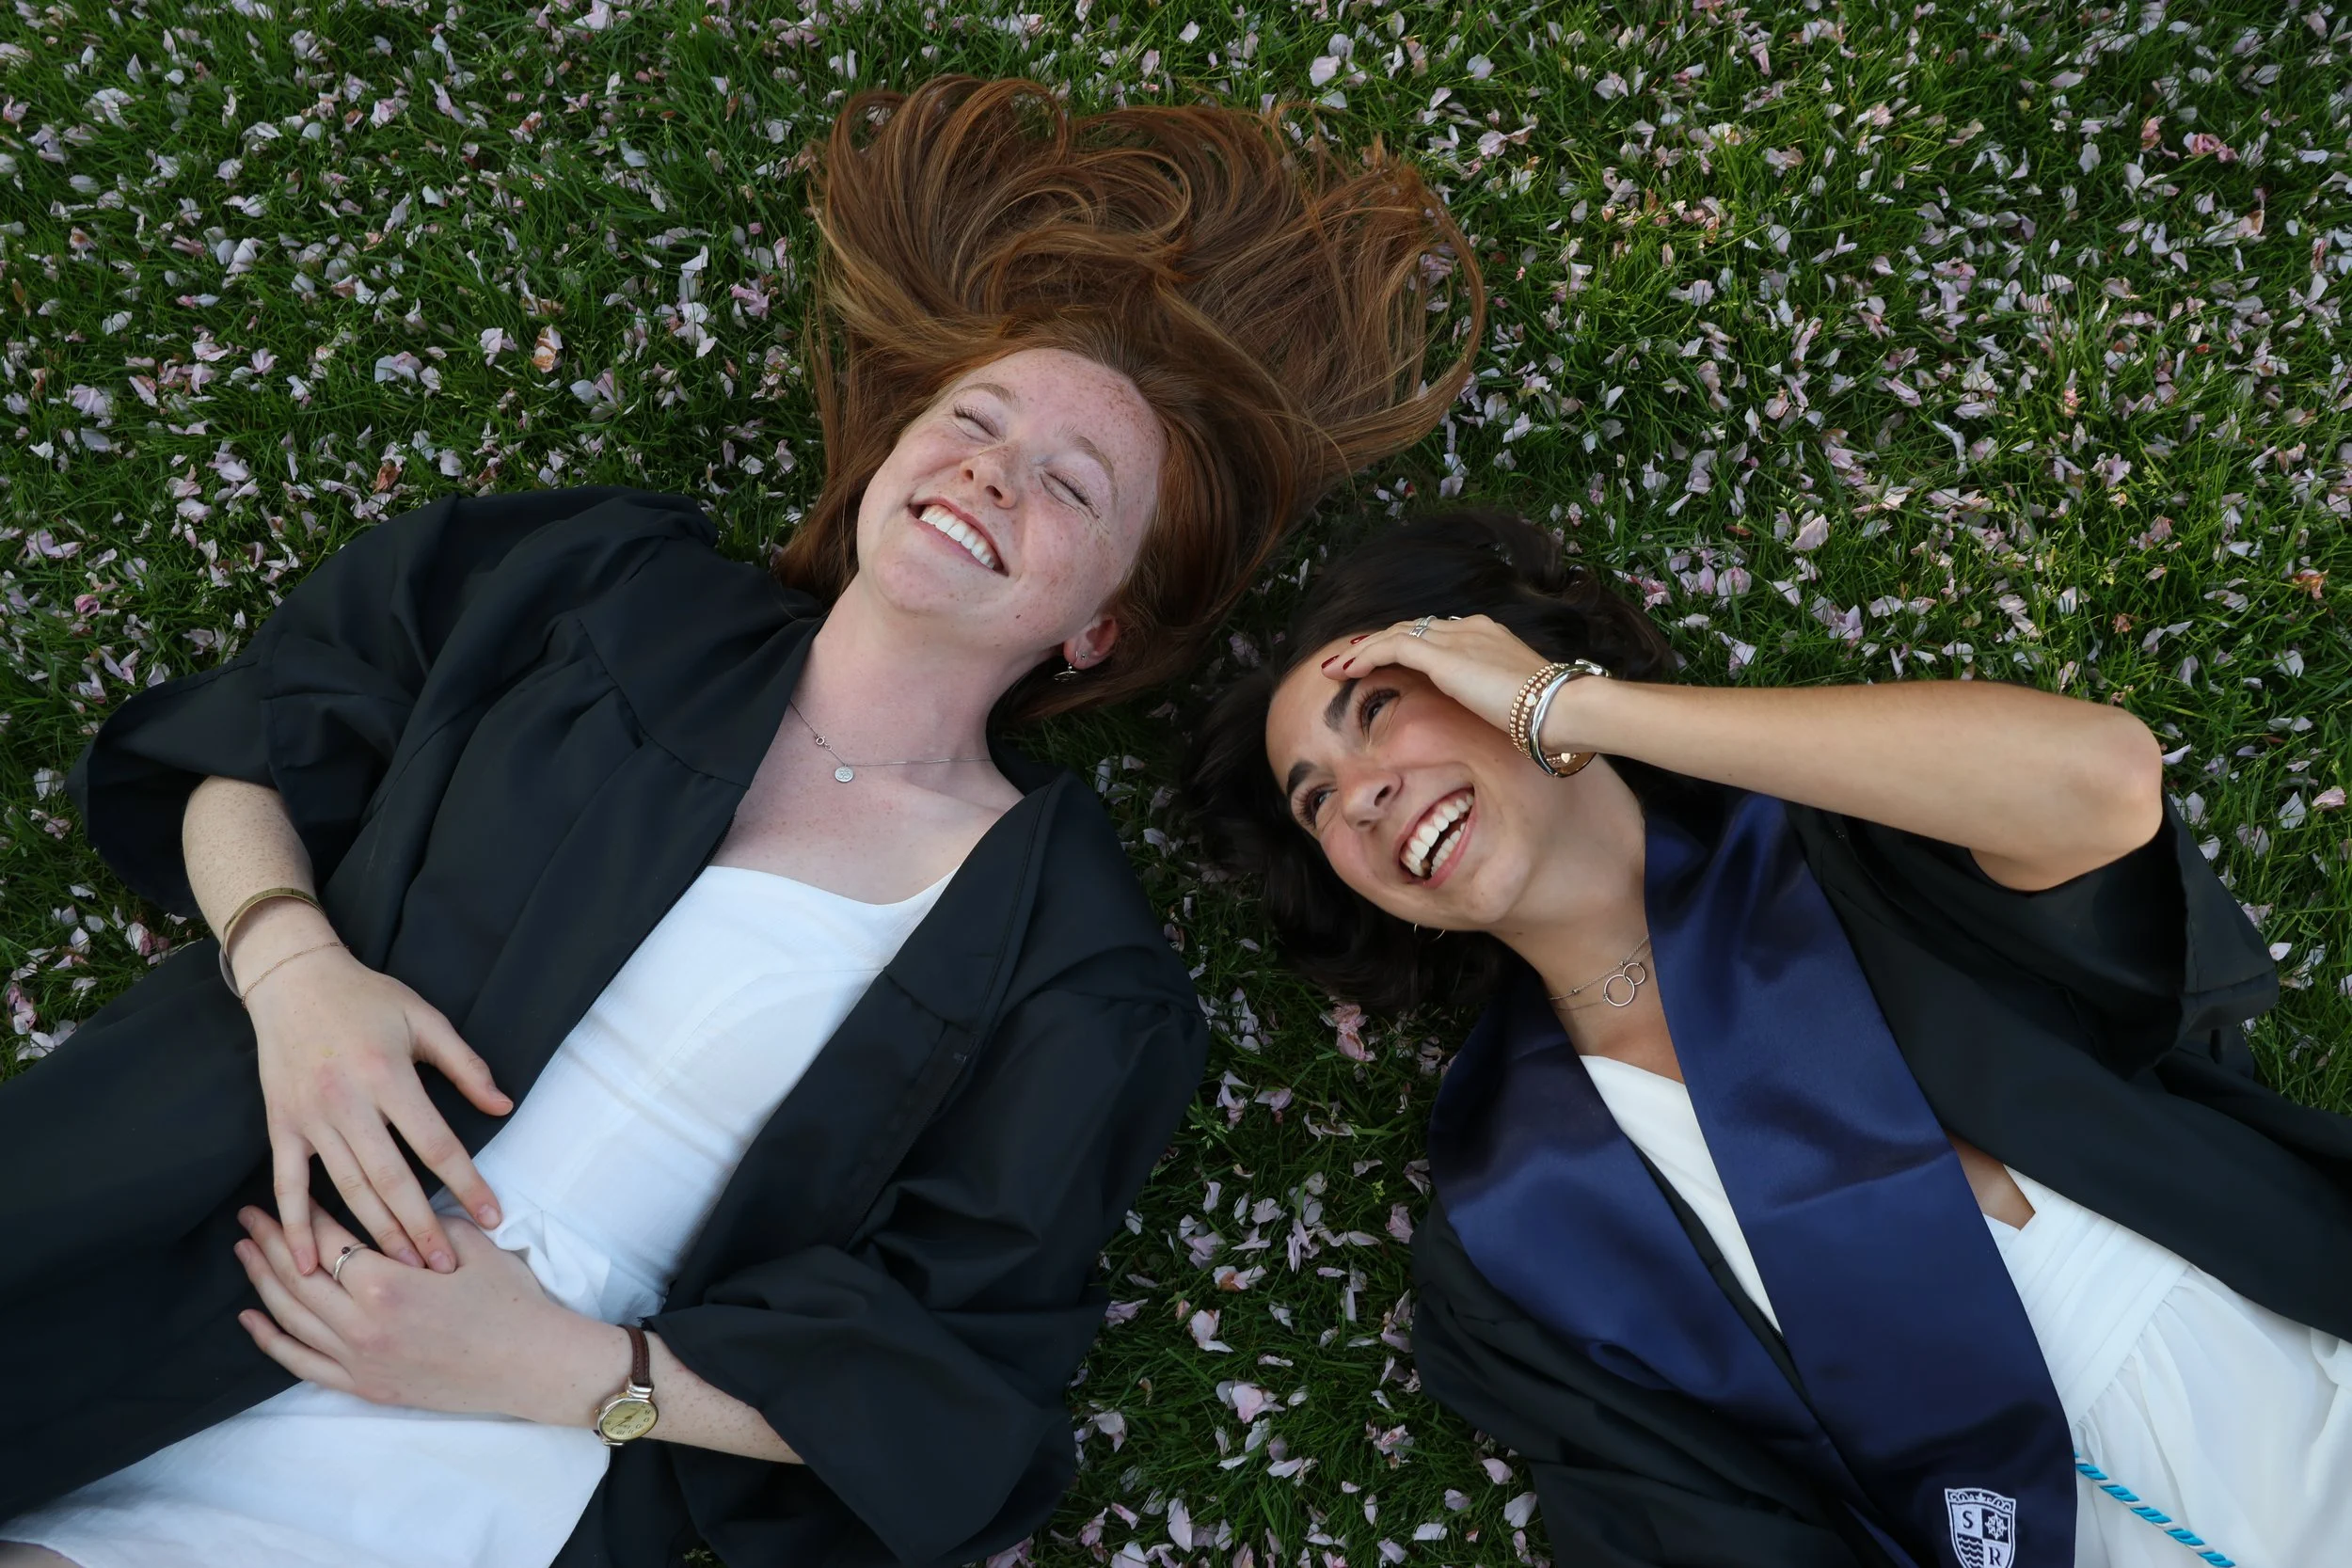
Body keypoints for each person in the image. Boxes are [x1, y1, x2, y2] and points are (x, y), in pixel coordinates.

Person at [0, 77, 1483, 1568]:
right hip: (184, 1232)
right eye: (973, 420)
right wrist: (293, 971)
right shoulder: (610, 590)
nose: (991, 470)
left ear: (1096, 626)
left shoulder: (1068, 956)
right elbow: (253, 735)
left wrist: (576, 1371)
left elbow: (956, 1387)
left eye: (1069, 487)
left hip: (482, 1467)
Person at [1184, 509, 2352, 1568]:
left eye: (1378, 710)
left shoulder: (1855, 847)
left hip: (2297, 1371)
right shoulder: (1509, 1226)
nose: (1358, 795)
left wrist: (1567, 709)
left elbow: (2101, 782)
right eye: (1316, 800)